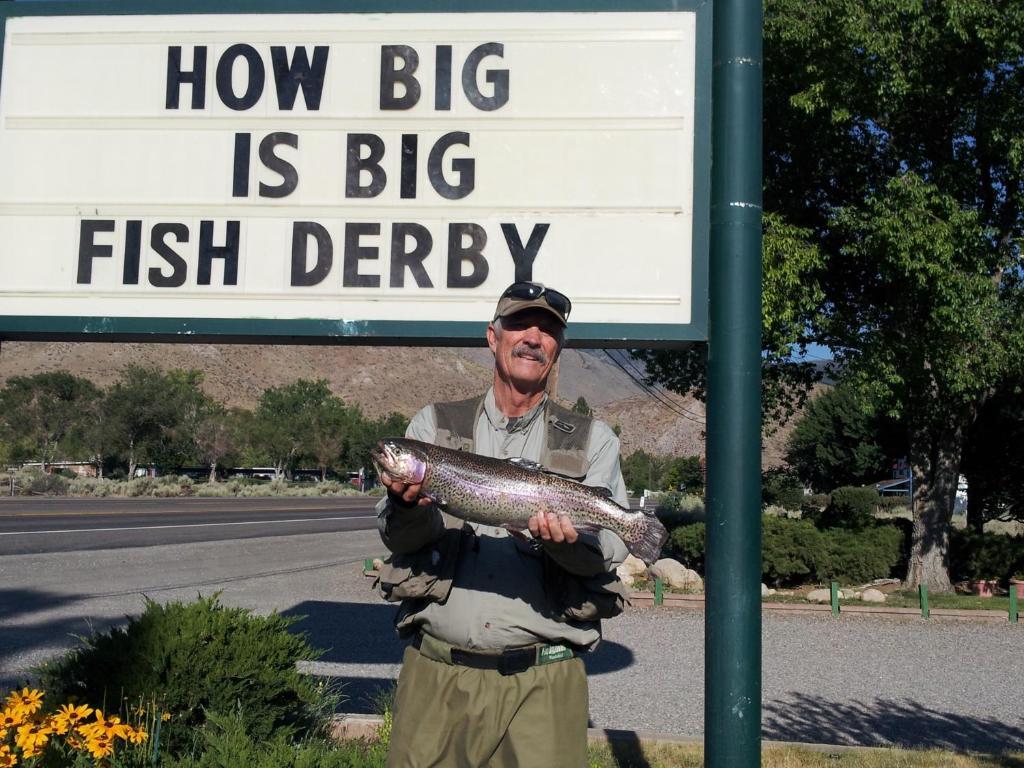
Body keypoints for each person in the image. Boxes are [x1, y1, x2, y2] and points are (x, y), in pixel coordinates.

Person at [375, 281, 630, 768]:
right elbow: (399, 536)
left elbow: (608, 550)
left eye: (548, 330)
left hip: (544, 684)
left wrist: (567, 544)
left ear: (558, 349)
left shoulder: (593, 439)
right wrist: (407, 506)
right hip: (438, 675)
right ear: (492, 337)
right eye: (519, 325)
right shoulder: (432, 426)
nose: (533, 337)